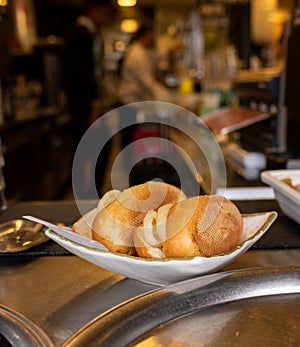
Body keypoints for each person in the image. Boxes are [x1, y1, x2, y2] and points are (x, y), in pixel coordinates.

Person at [64, 0, 112, 197]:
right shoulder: (82, 34)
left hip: (82, 103)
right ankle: (89, 193)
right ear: (93, 9)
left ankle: (88, 191)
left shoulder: (85, 32)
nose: (106, 17)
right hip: (83, 104)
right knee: (97, 148)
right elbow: (83, 73)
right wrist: (94, 105)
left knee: (90, 149)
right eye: (105, 11)